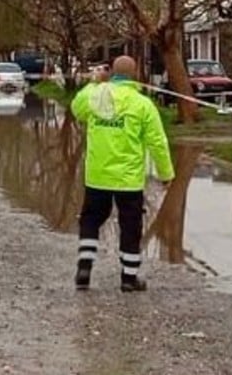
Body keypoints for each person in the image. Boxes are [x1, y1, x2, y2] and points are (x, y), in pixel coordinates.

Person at [69, 55, 175, 292]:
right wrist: (166, 173)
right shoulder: (142, 104)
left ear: (111, 73)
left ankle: (84, 268)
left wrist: (95, 82)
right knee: (130, 226)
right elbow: (158, 142)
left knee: (90, 220)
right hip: (128, 181)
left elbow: (77, 108)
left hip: (98, 176)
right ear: (135, 74)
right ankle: (129, 278)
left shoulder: (95, 95)